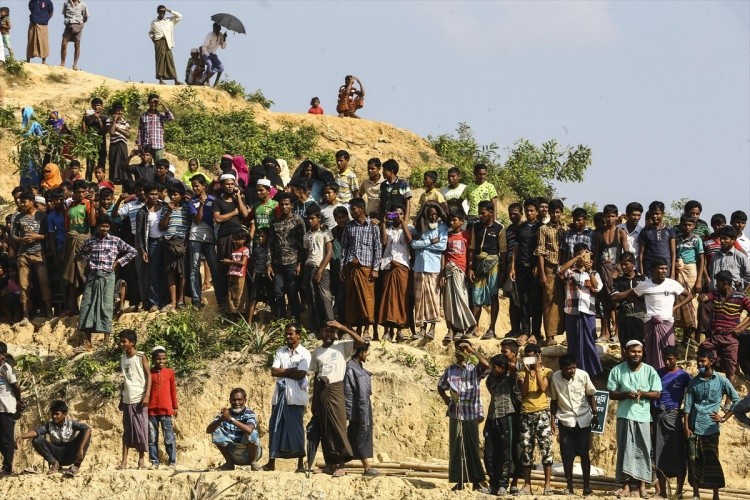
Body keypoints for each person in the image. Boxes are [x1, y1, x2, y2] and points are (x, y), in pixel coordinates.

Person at [309, 320, 366, 477]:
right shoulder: (317, 352)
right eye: (326, 331)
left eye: (331, 331)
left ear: (335, 333)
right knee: (325, 427)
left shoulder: (342, 346)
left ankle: (341, 464)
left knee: (338, 426)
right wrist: (314, 400)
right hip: (322, 389)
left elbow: (361, 342)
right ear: (321, 332)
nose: (328, 334)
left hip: (336, 388)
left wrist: (342, 327)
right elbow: (316, 374)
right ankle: (330, 464)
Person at [607, 339, 662, 499]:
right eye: (633, 351)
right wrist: (625, 394)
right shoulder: (617, 370)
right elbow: (611, 393)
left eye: (639, 351)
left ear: (643, 352)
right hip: (624, 416)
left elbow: (657, 393)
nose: (636, 354)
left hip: (643, 417)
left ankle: (641, 487)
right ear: (626, 351)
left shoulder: (650, 371)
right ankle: (625, 487)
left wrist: (643, 394)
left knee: (643, 451)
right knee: (625, 451)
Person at [684, 349, 740, 500]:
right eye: (698, 362)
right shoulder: (693, 382)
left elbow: (737, 400)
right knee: (693, 459)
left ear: (711, 362)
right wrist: (687, 427)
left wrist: (723, 417)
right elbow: (687, 406)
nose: (700, 364)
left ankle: (715, 495)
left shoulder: (722, 380)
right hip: (694, 426)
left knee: (712, 460)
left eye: (703, 361)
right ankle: (696, 493)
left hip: (711, 427)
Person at [76, 214, 136, 350]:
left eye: (107, 226)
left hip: (108, 277)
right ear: (97, 227)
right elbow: (80, 254)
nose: (104, 229)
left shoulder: (115, 240)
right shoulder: (90, 241)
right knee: (87, 306)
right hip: (93, 276)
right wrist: (90, 261)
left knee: (106, 307)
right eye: (102, 226)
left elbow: (132, 251)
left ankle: (106, 342)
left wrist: (118, 262)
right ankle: (88, 343)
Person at [437, 339, 489, 492]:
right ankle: (459, 481)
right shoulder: (451, 370)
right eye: (459, 349)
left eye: (464, 349)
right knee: (457, 448)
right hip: (456, 413)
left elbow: (487, 366)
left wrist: (472, 351)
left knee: (472, 446)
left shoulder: (474, 368)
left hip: (471, 412)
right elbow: (440, 387)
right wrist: (447, 399)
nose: (461, 353)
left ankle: (476, 481)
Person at [262, 323, 310, 472]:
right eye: (286, 334)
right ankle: (271, 463)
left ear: (299, 336)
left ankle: (300, 465)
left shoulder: (305, 353)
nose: (288, 336)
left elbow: (301, 373)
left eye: (291, 334)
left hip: (296, 397)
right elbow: (274, 371)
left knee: (297, 430)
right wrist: (292, 371)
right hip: (280, 396)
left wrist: (286, 372)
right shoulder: (280, 352)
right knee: (275, 427)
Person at [630, 258, 693, 369]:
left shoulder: (672, 284)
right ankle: (653, 377)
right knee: (651, 352)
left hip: (667, 324)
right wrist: (643, 306)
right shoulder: (645, 285)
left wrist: (676, 307)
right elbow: (631, 295)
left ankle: (667, 379)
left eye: (665, 268)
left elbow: (689, 295)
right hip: (650, 324)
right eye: (660, 268)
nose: (664, 271)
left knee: (669, 353)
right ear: (653, 270)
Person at [549, 354, 597, 496]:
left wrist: (594, 413)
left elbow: (591, 394)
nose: (572, 371)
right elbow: (553, 400)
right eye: (569, 368)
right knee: (567, 455)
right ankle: (569, 486)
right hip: (565, 420)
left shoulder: (583, 375)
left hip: (583, 420)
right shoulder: (555, 378)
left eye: (574, 367)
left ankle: (587, 487)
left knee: (584, 454)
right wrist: (552, 420)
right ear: (561, 368)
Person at [557, 243, 603, 377]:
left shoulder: (594, 273)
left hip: (588, 311)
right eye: (581, 255)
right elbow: (560, 270)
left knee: (589, 341)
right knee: (573, 341)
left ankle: (594, 371)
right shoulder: (570, 271)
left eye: (586, 255)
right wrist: (576, 258)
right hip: (572, 310)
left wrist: (589, 271)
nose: (584, 258)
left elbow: (597, 288)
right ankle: (572, 369)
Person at [697, 270, 750, 384]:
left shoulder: (740, 297)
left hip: (730, 338)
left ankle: (729, 401)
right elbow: (706, 297)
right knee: (703, 351)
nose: (716, 285)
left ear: (725, 283)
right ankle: (703, 380)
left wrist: (740, 328)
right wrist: (702, 297)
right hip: (715, 336)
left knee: (730, 371)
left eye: (718, 282)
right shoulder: (716, 294)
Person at [14, 399, 91, 476]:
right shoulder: (49, 425)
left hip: (71, 453)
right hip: (56, 454)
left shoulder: (71, 424)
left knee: (86, 434)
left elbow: (87, 429)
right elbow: (36, 432)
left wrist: (80, 448)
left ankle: (76, 466)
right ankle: (55, 463)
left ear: (64, 414)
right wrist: (21, 436)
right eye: (52, 414)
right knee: (37, 439)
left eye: (57, 414)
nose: (54, 416)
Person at [340, 198, 382, 336]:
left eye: (354, 209)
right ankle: (355, 328)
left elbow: (377, 248)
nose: (352, 212)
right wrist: (342, 266)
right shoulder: (349, 226)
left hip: (366, 268)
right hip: (351, 267)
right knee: (352, 299)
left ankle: (367, 329)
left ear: (362, 209)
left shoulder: (373, 226)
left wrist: (375, 268)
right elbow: (344, 247)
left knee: (367, 299)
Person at [516, 343, 553, 496]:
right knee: (526, 450)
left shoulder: (547, 371)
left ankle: (548, 485)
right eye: (528, 356)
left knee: (546, 449)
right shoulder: (521, 373)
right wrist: (526, 371)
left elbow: (543, 388)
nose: (530, 358)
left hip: (542, 412)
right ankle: (527, 485)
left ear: (539, 356)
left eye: (533, 355)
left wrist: (537, 370)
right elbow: (523, 392)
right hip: (526, 413)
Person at [653, 346, 690, 498]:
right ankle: (662, 492)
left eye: (671, 359)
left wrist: (684, 411)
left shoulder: (684, 376)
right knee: (660, 454)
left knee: (678, 454)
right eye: (665, 358)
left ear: (677, 358)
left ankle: (679, 491)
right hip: (659, 416)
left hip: (675, 417)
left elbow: (690, 397)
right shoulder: (658, 373)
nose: (667, 362)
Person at [11, 191, 52, 326]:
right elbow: (13, 236)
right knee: (24, 286)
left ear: (32, 201)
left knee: (43, 283)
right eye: (21, 201)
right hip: (23, 255)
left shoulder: (42, 216)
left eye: (24, 201)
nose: (22, 204)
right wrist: (21, 239)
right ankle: (25, 315)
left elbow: (48, 235)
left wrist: (37, 237)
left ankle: (48, 312)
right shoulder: (18, 217)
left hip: (38, 253)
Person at [483, 354, 521, 496]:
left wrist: (511, 367)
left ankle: (503, 484)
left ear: (502, 367)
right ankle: (493, 483)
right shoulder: (492, 378)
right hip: (492, 417)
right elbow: (486, 368)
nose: (492, 369)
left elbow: (517, 370)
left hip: (507, 417)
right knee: (490, 452)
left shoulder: (512, 379)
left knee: (506, 452)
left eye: (495, 367)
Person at [411, 202, 448, 340]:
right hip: (419, 267)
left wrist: (424, 244)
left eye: (435, 214)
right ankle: (421, 329)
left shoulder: (442, 227)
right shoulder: (420, 228)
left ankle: (432, 329)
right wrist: (431, 242)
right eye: (430, 214)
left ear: (438, 215)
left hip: (434, 268)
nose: (432, 217)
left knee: (433, 298)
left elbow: (442, 245)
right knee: (419, 300)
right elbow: (414, 244)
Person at [469, 200, 506, 338]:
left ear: (491, 212)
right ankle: (474, 327)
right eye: (479, 213)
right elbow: (472, 248)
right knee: (476, 297)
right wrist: (470, 268)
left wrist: (503, 271)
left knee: (493, 295)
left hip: (493, 265)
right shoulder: (476, 227)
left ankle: (492, 329)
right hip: (478, 264)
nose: (480, 215)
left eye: (483, 213)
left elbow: (503, 251)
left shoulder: (499, 228)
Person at [212, 174, 249, 309]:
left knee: (240, 268)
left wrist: (239, 197)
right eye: (227, 184)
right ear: (222, 185)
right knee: (225, 268)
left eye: (232, 184)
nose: (230, 186)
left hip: (239, 238)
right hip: (225, 237)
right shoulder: (218, 201)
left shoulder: (237, 200)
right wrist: (233, 213)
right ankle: (224, 302)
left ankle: (240, 303)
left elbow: (245, 214)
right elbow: (218, 219)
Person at [344, 342, 380, 476]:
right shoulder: (351, 368)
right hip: (358, 407)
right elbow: (352, 393)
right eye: (366, 352)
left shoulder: (357, 367)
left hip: (360, 406)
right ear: (360, 353)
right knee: (360, 434)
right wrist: (355, 411)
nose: (368, 354)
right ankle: (366, 467)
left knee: (355, 435)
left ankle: (340, 463)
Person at [440, 208, 476, 343]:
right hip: (449, 270)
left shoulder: (467, 235)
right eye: (450, 220)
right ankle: (451, 329)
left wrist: (469, 270)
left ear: (462, 221)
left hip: (461, 270)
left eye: (454, 220)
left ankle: (462, 328)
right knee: (449, 301)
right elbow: (443, 255)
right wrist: (442, 272)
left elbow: (469, 254)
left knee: (461, 299)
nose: (452, 222)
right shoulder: (447, 236)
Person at [595, 204, 630, 342]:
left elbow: (626, 254)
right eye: (607, 216)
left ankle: (617, 333)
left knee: (617, 303)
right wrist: (594, 272)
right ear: (604, 217)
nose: (610, 219)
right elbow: (597, 254)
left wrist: (621, 269)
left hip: (616, 272)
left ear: (616, 217)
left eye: (612, 216)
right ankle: (605, 333)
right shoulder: (599, 234)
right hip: (602, 271)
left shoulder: (620, 232)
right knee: (604, 304)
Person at [510, 198, 543, 344]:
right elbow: (515, 248)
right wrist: (512, 267)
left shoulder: (541, 228)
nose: (529, 213)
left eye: (532, 211)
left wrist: (538, 267)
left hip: (535, 269)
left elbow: (543, 250)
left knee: (536, 301)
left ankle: (535, 332)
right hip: (521, 267)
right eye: (527, 211)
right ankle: (525, 331)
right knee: (523, 300)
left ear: (537, 212)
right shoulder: (521, 228)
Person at [268, 192, 305, 321]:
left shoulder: (298, 221)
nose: (284, 207)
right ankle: (281, 321)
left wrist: (300, 264)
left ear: (292, 205)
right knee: (278, 293)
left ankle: (296, 321)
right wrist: (269, 264)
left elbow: (302, 244)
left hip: (293, 262)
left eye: (287, 204)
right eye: (282, 204)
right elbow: (270, 245)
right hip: (277, 264)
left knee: (293, 293)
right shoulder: (274, 222)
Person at [117, 329, 151, 470]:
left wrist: (147, 395)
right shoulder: (123, 358)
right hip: (127, 398)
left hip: (139, 398)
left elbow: (149, 376)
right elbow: (125, 380)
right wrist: (121, 398)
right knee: (127, 430)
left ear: (132, 342)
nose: (122, 344)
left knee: (141, 429)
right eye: (121, 341)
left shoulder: (141, 356)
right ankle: (124, 461)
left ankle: (141, 460)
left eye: (124, 341)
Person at [377, 204, 411, 342]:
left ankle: (400, 330)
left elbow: (410, 241)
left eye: (401, 214)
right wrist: (384, 223)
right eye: (395, 214)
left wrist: (403, 223)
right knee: (387, 299)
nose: (397, 216)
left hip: (402, 266)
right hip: (388, 265)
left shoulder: (408, 229)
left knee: (401, 299)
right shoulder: (388, 229)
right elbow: (384, 241)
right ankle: (387, 331)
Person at [206, 388, 262, 471]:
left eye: (239, 400)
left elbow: (249, 430)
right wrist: (222, 419)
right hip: (233, 454)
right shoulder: (225, 414)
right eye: (234, 400)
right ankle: (229, 463)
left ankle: (253, 464)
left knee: (252, 432)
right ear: (230, 400)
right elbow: (209, 430)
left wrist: (230, 419)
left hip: (250, 455)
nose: (236, 402)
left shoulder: (249, 413)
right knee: (216, 430)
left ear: (245, 400)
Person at [535, 199, 566, 345]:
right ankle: (550, 336)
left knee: (565, 301)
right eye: (552, 212)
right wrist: (542, 274)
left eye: (558, 212)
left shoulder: (566, 229)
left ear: (561, 213)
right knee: (549, 301)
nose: (555, 215)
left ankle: (565, 334)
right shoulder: (543, 229)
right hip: (549, 267)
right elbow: (540, 252)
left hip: (565, 269)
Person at [159, 183, 193, 311]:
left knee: (183, 273)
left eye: (175, 194)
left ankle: (181, 300)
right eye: (171, 194)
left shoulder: (186, 209)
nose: (173, 197)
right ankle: (172, 302)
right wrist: (168, 211)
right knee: (170, 272)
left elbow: (192, 223)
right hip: (169, 242)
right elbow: (161, 226)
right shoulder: (165, 208)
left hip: (182, 242)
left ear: (181, 195)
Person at [302, 206, 335, 333]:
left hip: (322, 269)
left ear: (319, 218)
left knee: (325, 298)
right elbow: (305, 254)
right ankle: (315, 329)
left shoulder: (325, 233)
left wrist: (320, 271)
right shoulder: (306, 235)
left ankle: (331, 329)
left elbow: (329, 253)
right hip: (309, 268)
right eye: (308, 219)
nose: (310, 221)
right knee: (312, 300)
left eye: (312, 218)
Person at [135, 182, 166, 312]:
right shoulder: (142, 212)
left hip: (165, 242)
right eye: (151, 194)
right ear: (146, 195)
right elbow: (139, 233)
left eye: (156, 194)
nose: (154, 197)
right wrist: (143, 250)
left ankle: (165, 301)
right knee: (152, 274)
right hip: (152, 243)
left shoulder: (164, 207)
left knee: (165, 272)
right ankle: (154, 302)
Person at [673, 213, 704, 340]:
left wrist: (699, 280)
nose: (687, 227)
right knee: (679, 297)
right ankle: (682, 334)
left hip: (691, 269)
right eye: (684, 225)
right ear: (681, 225)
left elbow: (701, 259)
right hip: (678, 268)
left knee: (692, 301)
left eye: (690, 225)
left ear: (694, 226)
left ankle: (690, 336)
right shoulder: (677, 238)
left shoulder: (696, 239)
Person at [147, 346, 178, 469]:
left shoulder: (170, 372)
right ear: (153, 359)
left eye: (164, 359)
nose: (161, 361)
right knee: (152, 437)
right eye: (159, 359)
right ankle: (154, 461)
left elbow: (173, 390)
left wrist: (175, 406)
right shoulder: (149, 372)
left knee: (169, 437)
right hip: (151, 411)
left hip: (166, 411)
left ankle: (172, 461)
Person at [611, 252, 647, 350]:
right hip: (624, 315)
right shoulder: (618, 281)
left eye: (626, 264)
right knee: (625, 344)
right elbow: (614, 297)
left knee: (641, 343)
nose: (623, 267)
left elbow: (646, 295)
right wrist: (631, 291)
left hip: (640, 315)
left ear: (633, 264)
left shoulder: (644, 279)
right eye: (622, 264)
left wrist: (623, 295)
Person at [0, 341, 23, 477]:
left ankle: (7, 468)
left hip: (6, 408)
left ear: (2, 355)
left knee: (6, 439)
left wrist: (19, 401)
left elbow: (16, 387)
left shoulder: (6, 368)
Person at [639, 201, 676, 278]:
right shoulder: (645, 231)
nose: (655, 216)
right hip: (649, 268)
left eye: (657, 213)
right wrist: (642, 273)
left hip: (665, 268)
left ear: (663, 214)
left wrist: (672, 273)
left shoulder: (669, 230)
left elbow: (673, 253)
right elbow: (641, 254)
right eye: (652, 214)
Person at [148, 5, 182, 85]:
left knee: (170, 59)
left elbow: (180, 16)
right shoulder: (154, 22)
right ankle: (160, 79)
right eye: (161, 11)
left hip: (167, 42)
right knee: (160, 60)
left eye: (164, 11)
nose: (162, 13)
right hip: (158, 41)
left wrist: (169, 10)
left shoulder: (169, 20)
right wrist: (154, 40)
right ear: (157, 12)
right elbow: (150, 32)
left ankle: (175, 79)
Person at [136, 94, 174, 161]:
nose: (153, 104)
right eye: (151, 102)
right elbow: (140, 132)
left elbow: (171, 118)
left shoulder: (161, 115)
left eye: (155, 102)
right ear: (148, 102)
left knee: (159, 167)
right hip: (146, 145)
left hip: (158, 146)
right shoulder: (143, 116)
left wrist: (163, 104)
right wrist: (139, 146)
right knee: (147, 168)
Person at [81, 97, 108, 180]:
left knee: (101, 164)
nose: (96, 107)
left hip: (101, 144)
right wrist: (83, 119)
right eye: (95, 105)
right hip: (91, 144)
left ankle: (102, 184)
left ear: (102, 106)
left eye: (98, 105)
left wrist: (98, 119)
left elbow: (104, 131)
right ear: (92, 106)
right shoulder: (89, 117)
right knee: (90, 164)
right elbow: (84, 132)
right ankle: (88, 183)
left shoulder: (105, 118)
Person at [223, 230, 249, 315]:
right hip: (232, 275)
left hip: (240, 276)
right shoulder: (235, 250)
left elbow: (243, 263)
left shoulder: (245, 250)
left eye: (237, 239)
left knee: (239, 295)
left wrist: (229, 261)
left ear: (244, 239)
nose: (234, 241)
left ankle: (240, 314)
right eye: (234, 240)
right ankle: (232, 314)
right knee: (231, 295)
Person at [106, 102, 130, 185]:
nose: (119, 113)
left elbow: (128, 135)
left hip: (123, 144)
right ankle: (114, 180)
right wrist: (114, 121)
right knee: (113, 161)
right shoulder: (109, 120)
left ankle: (124, 179)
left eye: (120, 111)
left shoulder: (125, 121)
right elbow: (112, 132)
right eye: (117, 111)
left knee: (124, 161)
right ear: (114, 112)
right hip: (114, 144)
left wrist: (118, 129)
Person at [60, 0, 87, 70]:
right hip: (69, 25)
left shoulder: (83, 5)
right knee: (64, 43)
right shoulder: (66, 3)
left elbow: (85, 17)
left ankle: (75, 65)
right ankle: (62, 63)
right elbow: (64, 14)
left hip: (78, 25)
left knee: (77, 45)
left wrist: (80, 24)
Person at [618, 202, 644, 271]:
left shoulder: (642, 231)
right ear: (627, 215)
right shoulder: (618, 229)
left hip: (636, 268)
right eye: (634, 215)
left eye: (639, 215)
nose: (636, 218)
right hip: (620, 268)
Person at [26, 0, 53, 64]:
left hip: (43, 24)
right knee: (30, 40)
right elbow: (31, 10)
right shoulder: (32, 1)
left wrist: (45, 19)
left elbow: (51, 13)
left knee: (43, 42)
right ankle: (28, 60)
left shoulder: (48, 2)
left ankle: (44, 61)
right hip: (33, 23)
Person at [201, 23, 226, 87]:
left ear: (219, 29)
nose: (215, 29)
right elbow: (204, 47)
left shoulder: (221, 35)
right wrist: (208, 55)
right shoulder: (209, 35)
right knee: (209, 64)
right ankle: (207, 81)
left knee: (221, 68)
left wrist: (224, 39)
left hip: (213, 54)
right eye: (214, 28)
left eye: (216, 28)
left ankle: (215, 83)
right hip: (206, 53)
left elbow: (223, 47)